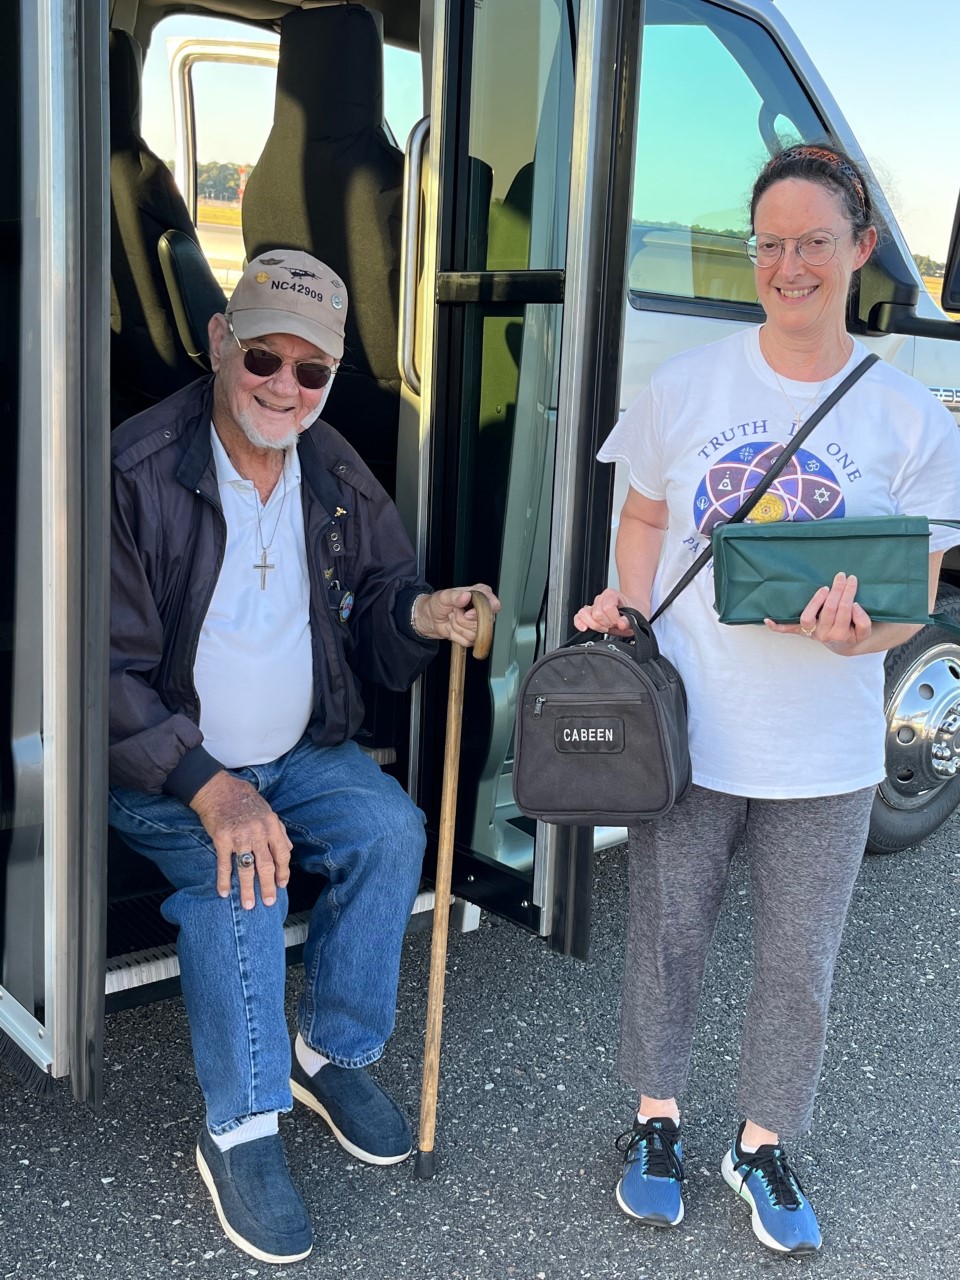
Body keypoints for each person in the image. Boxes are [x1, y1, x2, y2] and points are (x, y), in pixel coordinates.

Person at [575, 144, 960, 1254]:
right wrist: (630, 607)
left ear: (861, 249)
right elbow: (646, 513)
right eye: (771, 244)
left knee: (801, 964)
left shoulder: (911, 419)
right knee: (668, 937)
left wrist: (861, 635)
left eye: (815, 242)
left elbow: (910, 591)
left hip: (826, 748)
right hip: (691, 730)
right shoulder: (687, 386)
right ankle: (656, 1120)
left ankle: (761, 1141)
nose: (790, 266)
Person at [108, 248, 499, 1265]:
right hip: (165, 765)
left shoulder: (330, 466)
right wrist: (210, 788)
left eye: (312, 369)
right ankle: (240, 1127)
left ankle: (328, 1052)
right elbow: (102, 672)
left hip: (294, 751)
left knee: (390, 829)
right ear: (219, 342)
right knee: (244, 875)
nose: (285, 386)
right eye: (264, 359)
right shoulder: (135, 470)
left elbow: (382, 597)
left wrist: (422, 613)